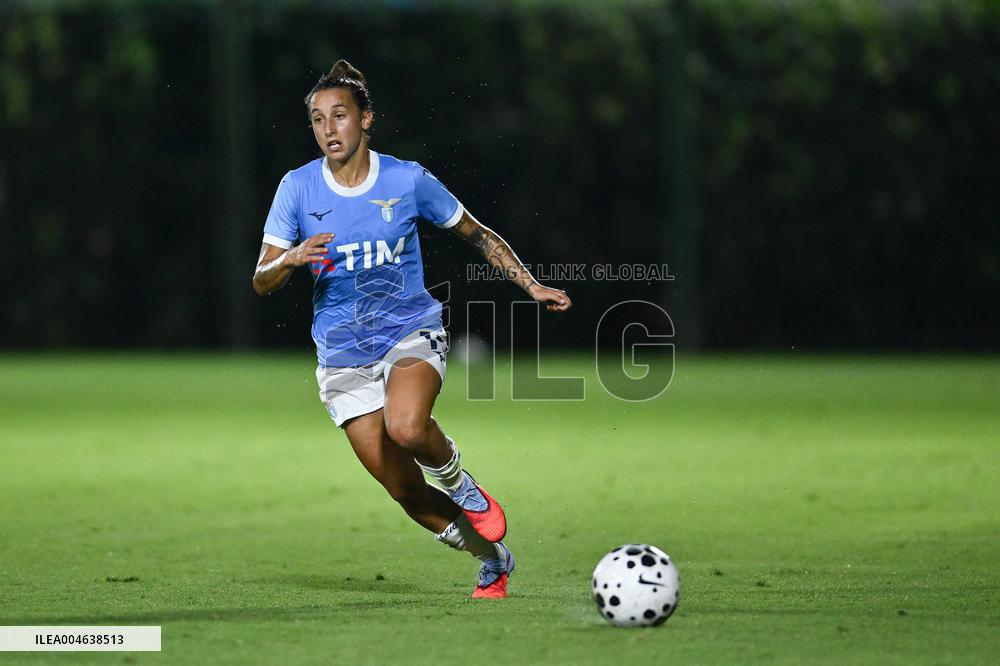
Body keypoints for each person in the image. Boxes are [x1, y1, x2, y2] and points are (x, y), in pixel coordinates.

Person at [252, 60, 572, 599]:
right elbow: (262, 280)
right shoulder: (297, 188)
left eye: (339, 115)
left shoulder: (406, 179)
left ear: (366, 118)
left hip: (409, 330)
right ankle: (492, 559)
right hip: (342, 355)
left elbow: (477, 233)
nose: (329, 129)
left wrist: (531, 285)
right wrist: (290, 259)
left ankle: (461, 483)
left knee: (405, 426)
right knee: (402, 487)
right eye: (317, 119)